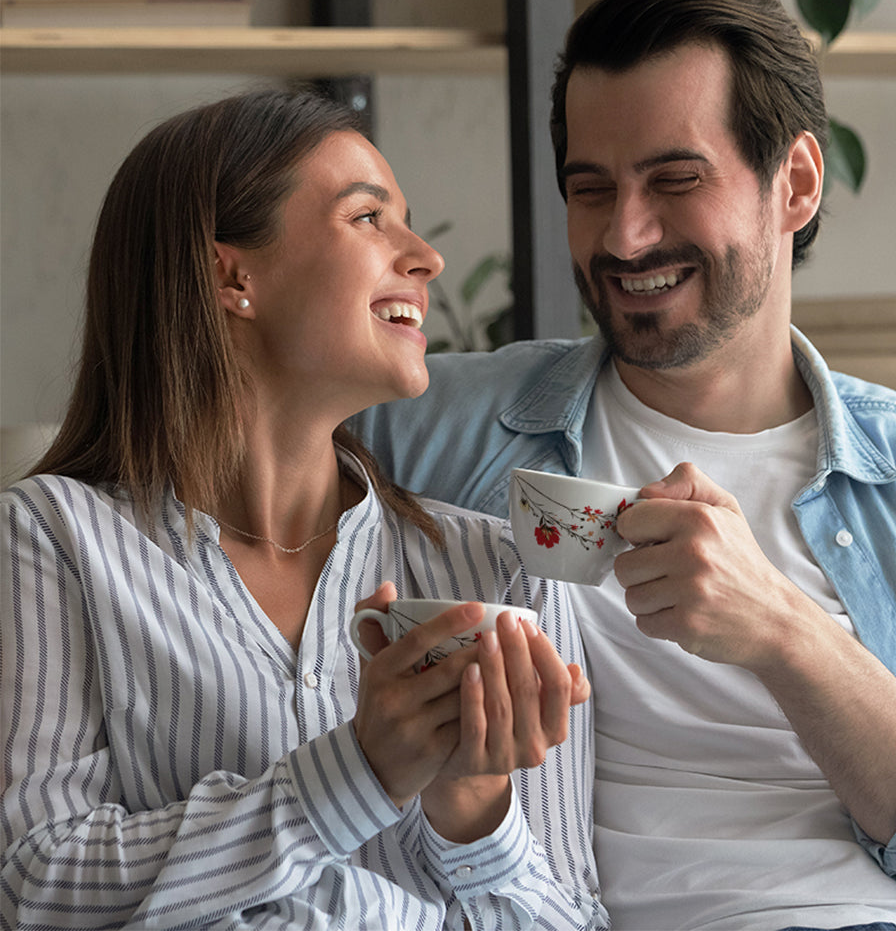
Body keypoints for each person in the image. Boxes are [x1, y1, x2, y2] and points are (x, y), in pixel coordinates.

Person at [352, 0, 896, 931]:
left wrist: (782, 630)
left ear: (798, 184)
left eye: (675, 180)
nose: (625, 234)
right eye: (591, 189)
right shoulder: (426, 420)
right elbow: (189, 442)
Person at [0, 88, 610, 930]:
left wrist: (474, 809)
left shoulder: (503, 571)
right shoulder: (52, 539)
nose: (426, 257)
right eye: (368, 219)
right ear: (233, 276)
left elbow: (573, 920)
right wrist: (358, 771)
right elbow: (37, 884)